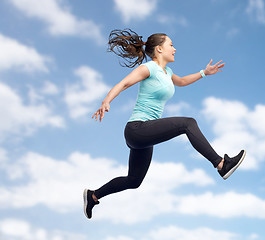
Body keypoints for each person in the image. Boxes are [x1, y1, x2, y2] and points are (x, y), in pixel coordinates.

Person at [83, 29, 246, 219]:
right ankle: (221, 164)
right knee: (188, 123)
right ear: (159, 49)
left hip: (145, 135)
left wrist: (204, 73)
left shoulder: (167, 72)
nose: (175, 49)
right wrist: (106, 101)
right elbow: (124, 84)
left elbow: (183, 81)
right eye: (171, 45)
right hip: (136, 129)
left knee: (134, 180)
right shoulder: (149, 68)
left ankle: (93, 196)